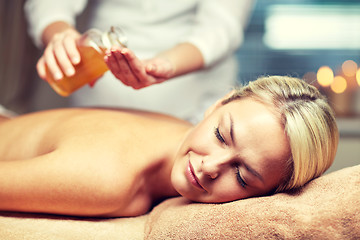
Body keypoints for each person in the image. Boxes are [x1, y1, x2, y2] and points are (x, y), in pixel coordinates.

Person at [0, 76, 339, 217]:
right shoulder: (106, 179)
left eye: (241, 174)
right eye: (222, 136)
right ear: (218, 104)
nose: (209, 167)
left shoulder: (177, 130)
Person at [24, 0, 255, 123]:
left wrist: (166, 64)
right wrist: (59, 32)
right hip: (100, 99)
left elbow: (220, 28)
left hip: (193, 100)